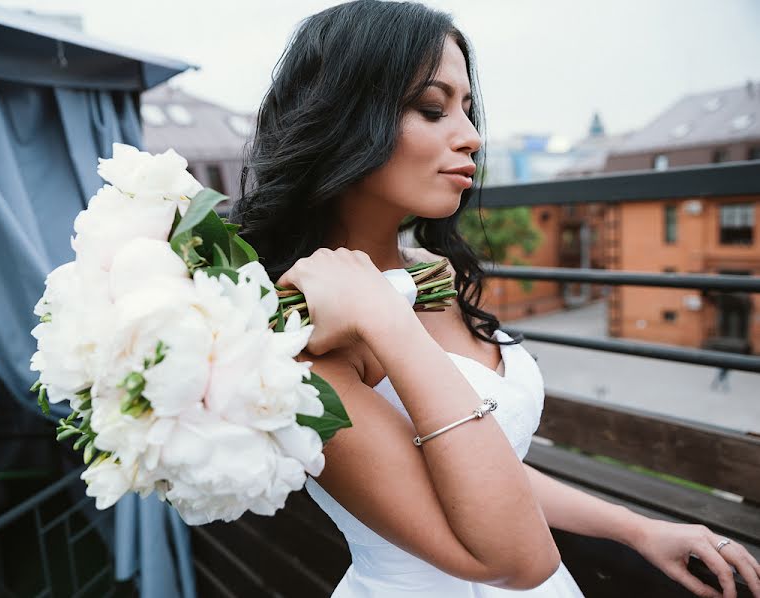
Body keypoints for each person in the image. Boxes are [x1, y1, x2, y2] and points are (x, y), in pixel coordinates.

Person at [229, 1, 760, 596]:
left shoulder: (430, 277)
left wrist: (638, 529)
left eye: (468, 108)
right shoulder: (297, 337)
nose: (472, 137)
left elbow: (482, 467)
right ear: (342, 119)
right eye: (433, 109)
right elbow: (517, 561)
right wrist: (385, 320)